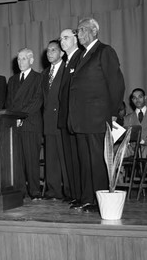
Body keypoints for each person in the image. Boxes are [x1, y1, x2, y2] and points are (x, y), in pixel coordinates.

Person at [67, 18, 125, 212]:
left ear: (94, 30)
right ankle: (86, 198)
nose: (79, 34)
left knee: (97, 161)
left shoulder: (104, 51)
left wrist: (113, 113)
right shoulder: (82, 55)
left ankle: (99, 200)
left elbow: (116, 84)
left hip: (98, 117)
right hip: (81, 119)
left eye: (81, 30)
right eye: (78, 31)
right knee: (85, 160)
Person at [6, 48, 43, 200]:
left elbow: (37, 100)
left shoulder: (39, 78)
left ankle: (35, 191)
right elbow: (8, 102)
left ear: (31, 60)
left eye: (24, 59)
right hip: (15, 124)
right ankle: (20, 191)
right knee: (18, 160)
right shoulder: (13, 80)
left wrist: (21, 116)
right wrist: (12, 118)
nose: (21, 62)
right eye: (19, 59)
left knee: (31, 159)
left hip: (30, 123)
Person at [57, 28, 83, 206]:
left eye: (66, 37)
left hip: (76, 118)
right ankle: (76, 194)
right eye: (60, 39)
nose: (62, 41)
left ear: (76, 39)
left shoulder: (80, 57)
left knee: (78, 159)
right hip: (66, 118)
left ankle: (82, 196)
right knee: (70, 160)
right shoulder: (67, 61)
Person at [42, 40, 68, 200]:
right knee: (50, 158)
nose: (49, 53)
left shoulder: (68, 70)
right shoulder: (45, 73)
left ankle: (69, 191)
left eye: (53, 50)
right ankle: (53, 190)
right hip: (48, 121)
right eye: (48, 50)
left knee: (65, 158)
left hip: (62, 121)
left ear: (62, 53)